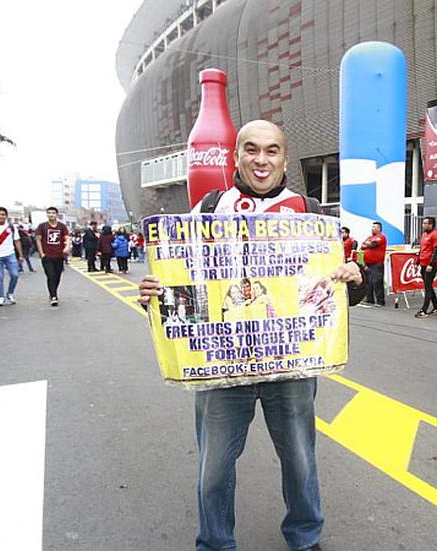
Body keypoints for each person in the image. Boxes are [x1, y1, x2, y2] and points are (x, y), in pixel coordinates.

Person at [138, 120, 364, 551]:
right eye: (252, 150)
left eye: (272, 150)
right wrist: (152, 292)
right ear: (236, 156)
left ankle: (304, 536)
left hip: (291, 364)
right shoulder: (208, 208)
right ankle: (215, 543)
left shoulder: (311, 211)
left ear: (284, 157)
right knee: (215, 466)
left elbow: (333, 292)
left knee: (299, 459)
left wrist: (355, 278)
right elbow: (177, 277)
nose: (262, 160)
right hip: (223, 364)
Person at [35, 207, 71, 306]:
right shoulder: (42, 226)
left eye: (53, 213)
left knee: (57, 276)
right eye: (49, 213)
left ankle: (53, 292)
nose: (51, 215)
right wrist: (41, 253)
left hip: (59, 255)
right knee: (51, 276)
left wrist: (67, 247)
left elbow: (67, 238)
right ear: (47, 214)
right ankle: (53, 296)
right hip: (47, 256)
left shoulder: (62, 226)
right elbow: (38, 239)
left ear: (56, 214)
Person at [416, 216, 437, 318]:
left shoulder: (435, 235)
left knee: (427, 287)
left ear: (431, 224)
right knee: (429, 286)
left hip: (431, 265)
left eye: (425, 223)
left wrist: (431, 264)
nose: (423, 225)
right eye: (423, 223)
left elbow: (436, 251)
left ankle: (424, 310)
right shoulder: (424, 235)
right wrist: (417, 261)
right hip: (423, 264)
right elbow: (422, 249)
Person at [360, 221, 387, 307]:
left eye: (375, 227)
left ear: (379, 229)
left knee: (377, 281)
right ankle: (369, 299)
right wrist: (367, 244)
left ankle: (380, 301)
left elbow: (373, 244)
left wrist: (368, 244)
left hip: (377, 263)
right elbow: (362, 246)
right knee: (369, 281)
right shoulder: (369, 237)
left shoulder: (381, 237)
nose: (373, 229)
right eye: (372, 227)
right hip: (368, 263)